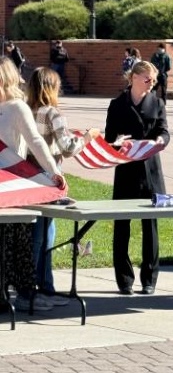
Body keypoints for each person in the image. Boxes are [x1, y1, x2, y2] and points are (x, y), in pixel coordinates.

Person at [26, 66, 100, 305]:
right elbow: (68, 148)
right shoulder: (52, 113)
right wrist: (89, 137)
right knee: (45, 235)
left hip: (26, 179)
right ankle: (42, 288)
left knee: (33, 235)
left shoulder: (26, 110)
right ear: (51, 88)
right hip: (48, 180)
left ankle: (35, 285)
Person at [0, 56, 67, 312]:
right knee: (9, 241)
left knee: (13, 240)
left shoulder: (18, 107)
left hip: (11, 184)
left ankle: (16, 294)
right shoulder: (15, 106)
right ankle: (14, 294)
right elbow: (35, 142)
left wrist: (52, 172)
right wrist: (52, 172)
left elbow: (36, 142)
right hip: (7, 185)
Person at [104, 61, 170, 296]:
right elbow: (109, 136)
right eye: (148, 79)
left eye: (154, 80)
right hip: (126, 170)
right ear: (133, 77)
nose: (152, 84)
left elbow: (163, 130)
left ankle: (149, 279)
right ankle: (124, 280)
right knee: (122, 225)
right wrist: (119, 141)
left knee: (150, 226)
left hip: (150, 171)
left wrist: (161, 140)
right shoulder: (117, 104)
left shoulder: (158, 103)